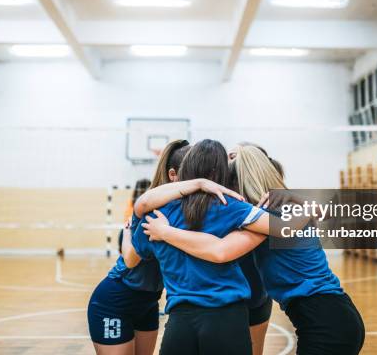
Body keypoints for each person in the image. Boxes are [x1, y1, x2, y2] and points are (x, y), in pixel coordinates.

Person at [142, 145, 365, 355]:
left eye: (227, 181)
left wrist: (165, 232)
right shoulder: (280, 210)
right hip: (326, 315)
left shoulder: (271, 217)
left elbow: (219, 250)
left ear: (240, 182)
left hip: (326, 318)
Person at [122, 139, 267, 355]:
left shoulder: (155, 217)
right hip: (227, 317)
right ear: (222, 174)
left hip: (181, 321)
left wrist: (132, 232)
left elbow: (131, 259)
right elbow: (289, 227)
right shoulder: (231, 206)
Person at [87, 140, 190, 355]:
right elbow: (131, 259)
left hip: (150, 302)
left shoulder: (208, 208)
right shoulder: (157, 212)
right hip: (116, 301)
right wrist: (127, 234)